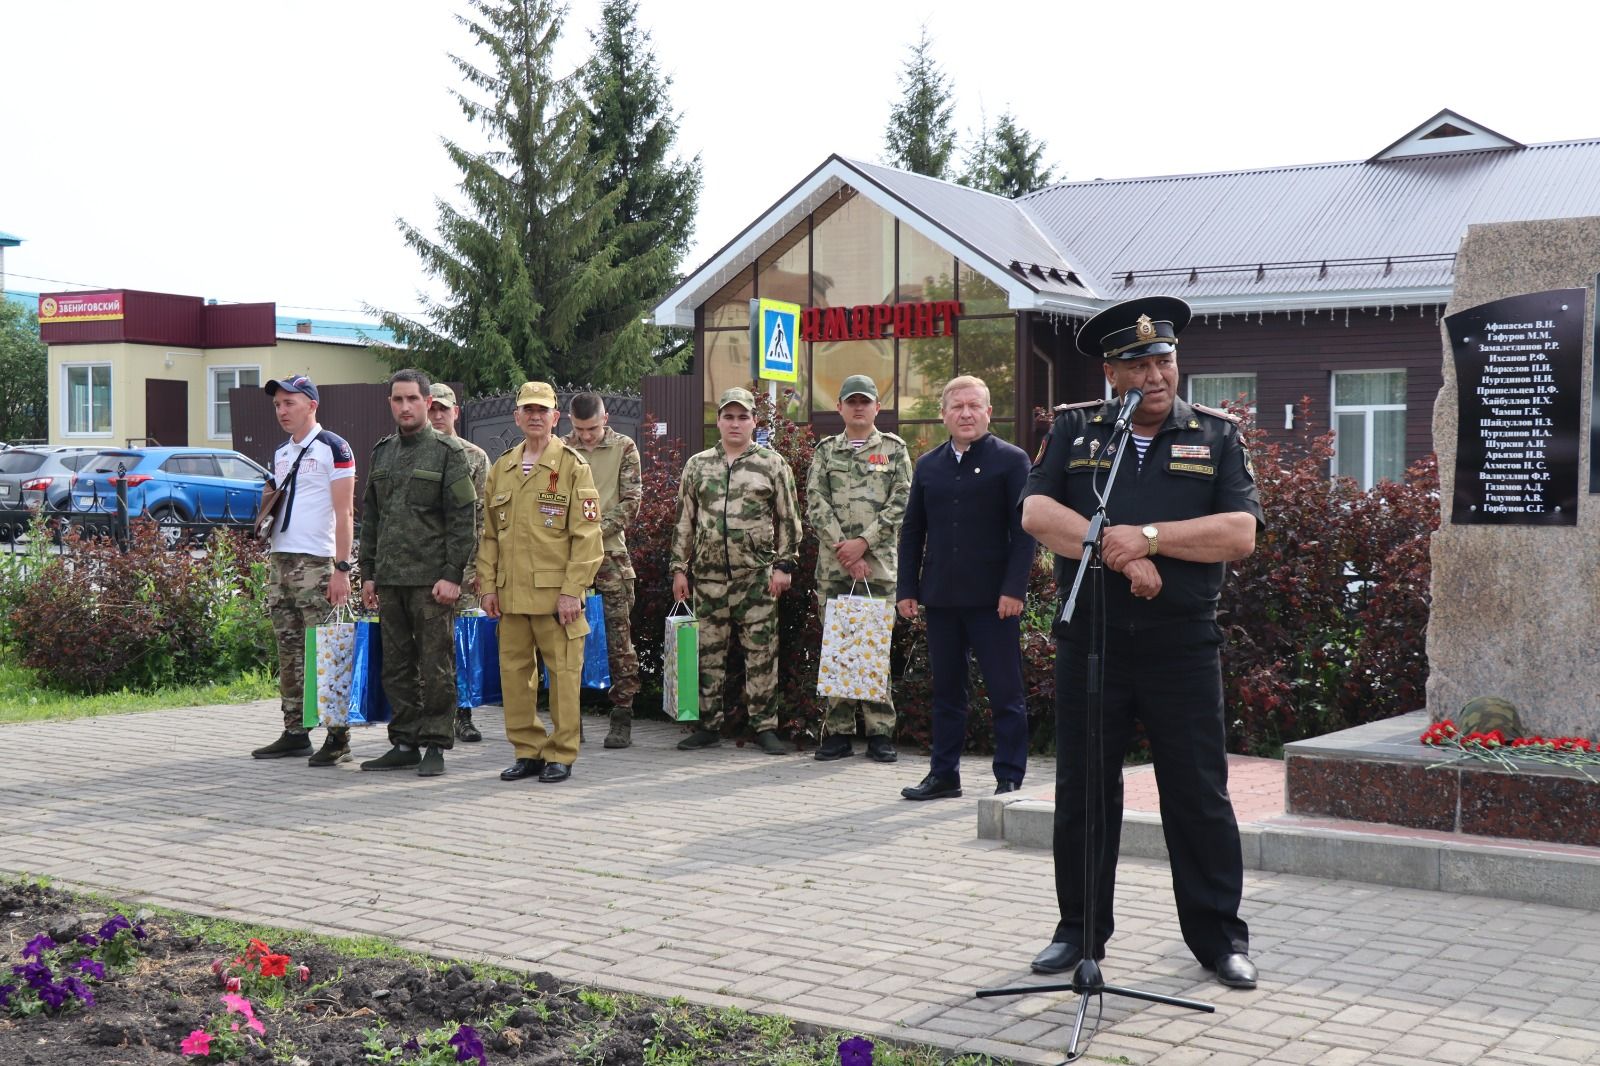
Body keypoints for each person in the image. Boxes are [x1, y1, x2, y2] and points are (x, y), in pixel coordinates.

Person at [1020, 296, 1262, 990]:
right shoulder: (1075, 432)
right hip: (1092, 639)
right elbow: (1038, 512)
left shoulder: (1216, 436)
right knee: (1085, 791)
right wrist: (1122, 555)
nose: (1155, 376)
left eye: (1164, 360)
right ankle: (1079, 932)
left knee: (1197, 794)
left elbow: (1239, 533)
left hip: (1180, 644)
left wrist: (1153, 537)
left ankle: (1219, 940)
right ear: (1110, 371)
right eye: (1138, 364)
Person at [895, 375, 1034, 799]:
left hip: (994, 601)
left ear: (988, 412)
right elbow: (912, 530)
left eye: (975, 406)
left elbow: (1024, 532)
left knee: (1005, 691)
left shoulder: (1012, 461)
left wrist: (1014, 590)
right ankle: (944, 775)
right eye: (957, 407)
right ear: (943, 414)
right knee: (947, 692)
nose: (966, 413)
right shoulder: (928, 465)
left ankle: (1009, 776)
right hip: (940, 598)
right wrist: (907, 589)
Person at [478, 381, 604, 783]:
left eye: (542, 410)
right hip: (511, 596)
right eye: (527, 410)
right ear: (516, 417)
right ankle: (528, 750)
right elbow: (490, 536)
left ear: (555, 418)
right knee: (515, 677)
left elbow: (587, 535)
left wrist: (573, 590)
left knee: (564, 677)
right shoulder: (503, 468)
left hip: (555, 598)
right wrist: (487, 586)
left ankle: (562, 753)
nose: (534, 416)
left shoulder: (571, 466)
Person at [357, 369, 478, 777]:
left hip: (432, 583)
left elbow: (464, 521)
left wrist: (452, 574)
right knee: (396, 666)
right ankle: (404, 741)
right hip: (390, 580)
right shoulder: (383, 452)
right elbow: (371, 517)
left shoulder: (448, 453)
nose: (404, 407)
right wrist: (368, 572)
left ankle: (437, 745)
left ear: (428, 403)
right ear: (390, 403)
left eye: (412, 399)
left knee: (436, 666)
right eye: (397, 399)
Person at [670, 387, 802, 755]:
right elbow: (684, 521)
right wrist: (679, 569)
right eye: (728, 416)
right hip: (708, 580)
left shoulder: (772, 464)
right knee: (707, 656)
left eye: (743, 416)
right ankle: (708, 725)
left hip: (757, 578)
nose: (735, 423)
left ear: (754, 422)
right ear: (718, 421)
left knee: (761, 656)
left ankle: (765, 727)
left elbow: (789, 519)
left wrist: (784, 564)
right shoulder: (698, 465)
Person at [251, 374, 358, 766]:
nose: (282, 410)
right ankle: (295, 730)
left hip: (317, 563)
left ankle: (338, 735)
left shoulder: (334, 447)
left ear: (311, 404)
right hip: (281, 561)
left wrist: (342, 568)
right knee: (289, 650)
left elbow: (345, 512)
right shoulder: (282, 452)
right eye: (277, 404)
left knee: (326, 650)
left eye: (289, 403)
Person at [805, 374, 912, 763]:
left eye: (865, 401)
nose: (858, 407)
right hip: (835, 568)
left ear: (876, 407)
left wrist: (864, 543)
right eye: (851, 401)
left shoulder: (894, 450)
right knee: (837, 648)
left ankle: (880, 732)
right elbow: (815, 500)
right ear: (840, 407)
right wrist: (844, 550)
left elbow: (901, 501)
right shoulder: (825, 451)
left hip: (878, 566)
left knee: (873, 649)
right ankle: (837, 733)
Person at [563, 392, 643, 748]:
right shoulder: (561, 449)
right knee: (565, 642)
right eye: (580, 429)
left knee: (618, 640)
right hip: (567, 560)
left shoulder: (624, 448)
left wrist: (592, 532)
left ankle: (622, 716)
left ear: (605, 418)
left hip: (609, 555)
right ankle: (570, 720)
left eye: (593, 428)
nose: (587, 436)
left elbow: (632, 502)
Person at [427, 382, 490, 743]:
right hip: (423, 565)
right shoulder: (413, 452)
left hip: (464, 569)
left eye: (443, 410)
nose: (437, 416)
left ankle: (463, 715)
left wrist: (482, 567)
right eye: (432, 408)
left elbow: (486, 517)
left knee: (462, 644)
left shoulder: (476, 457)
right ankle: (432, 715)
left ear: (456, 412)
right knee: (428, 643)